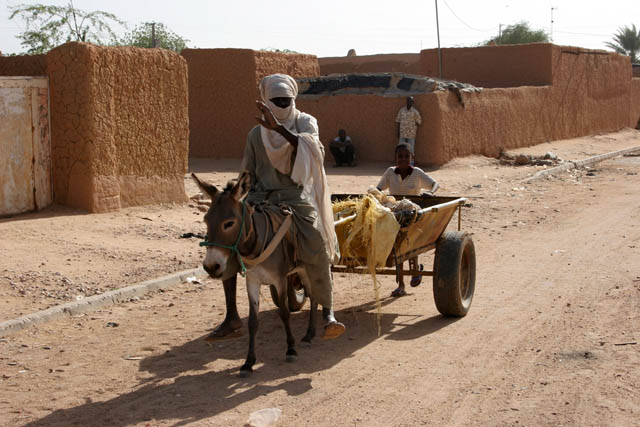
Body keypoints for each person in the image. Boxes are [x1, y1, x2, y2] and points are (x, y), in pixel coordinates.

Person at [208, 73, 345, 341]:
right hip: (261, 197)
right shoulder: (255, 135)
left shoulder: (305, 122)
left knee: (316, 243)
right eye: (276, 100)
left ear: (294, 99)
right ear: (266, 101)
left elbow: (313, 150)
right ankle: (231, 316)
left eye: (286, 100)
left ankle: (328, 312)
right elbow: (247, 172)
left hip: (295, 196)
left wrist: (278, 129)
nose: (282, 104)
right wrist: (233, 200)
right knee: (225, 236)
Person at [376, 144, 439, 297]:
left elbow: (435, 184)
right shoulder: (390, 172)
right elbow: (379, 189)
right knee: (398, 249)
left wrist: (430, 192)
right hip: (396, 214)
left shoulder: (417, 173)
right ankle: (402, 285)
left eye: (406, 156)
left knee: (411, 245)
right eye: (400, 156)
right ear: (395, 159)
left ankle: (416, 268)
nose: (403, 159)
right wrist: (376, 197)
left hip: (413, 213)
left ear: (412, 158)